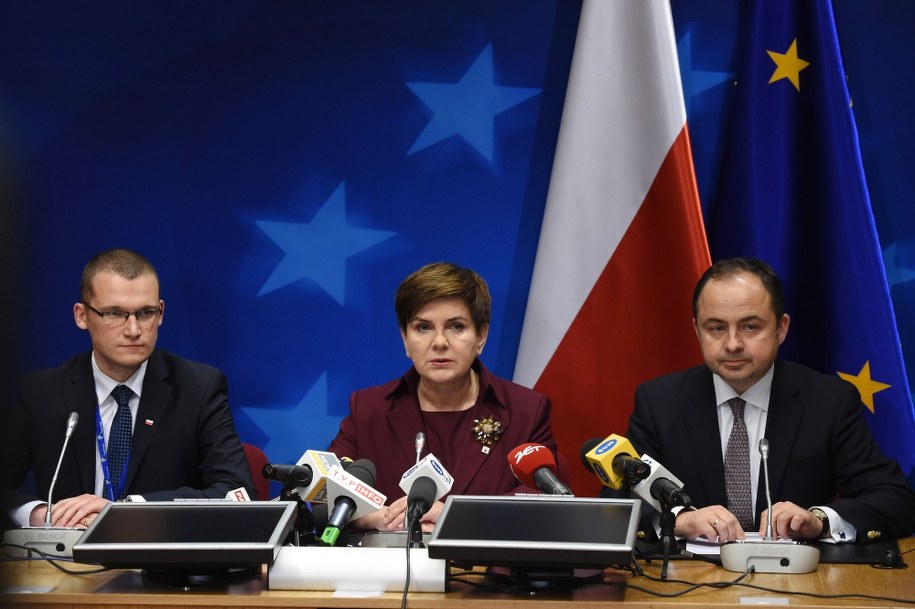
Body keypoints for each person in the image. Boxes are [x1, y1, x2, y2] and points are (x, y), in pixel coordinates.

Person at [628, 257, 915, 544]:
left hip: (799, 581)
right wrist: (678, 519)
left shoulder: (828, 402)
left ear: (781, 329)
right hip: (690, 582)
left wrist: (819, 520)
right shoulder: (659, 403)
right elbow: (617, 502)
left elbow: (896, 501)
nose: (732, 344)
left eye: (750, 327)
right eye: (716, 328)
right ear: (697, 331)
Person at [0, 248, 254, 531]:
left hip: (160, 566)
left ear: (161, 313)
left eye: (145, 313)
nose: (133, 330)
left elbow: (237, 492)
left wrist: (128, 510)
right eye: (114, 313)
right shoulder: (40, 393)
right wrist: (38, 515)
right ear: (82, 316)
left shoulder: (199, 388)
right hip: (62, 562)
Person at [328, 262, 569, 532]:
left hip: (482, 570)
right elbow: (324, 495)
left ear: (481, 336)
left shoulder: (526, 411)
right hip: (390, 570)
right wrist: (376, 518)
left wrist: (457, 516)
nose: (440, 342)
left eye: (456, 326)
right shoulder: (369, 410)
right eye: (423, 328)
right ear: (405, 340)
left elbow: (543, 500)